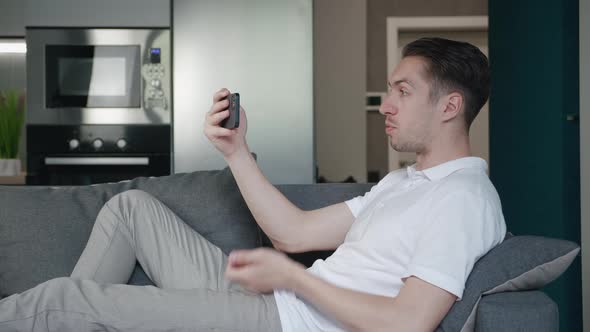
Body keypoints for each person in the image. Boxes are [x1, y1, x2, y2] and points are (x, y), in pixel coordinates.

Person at [0, 37, 506, 332]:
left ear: (449, 106)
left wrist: (292, 279)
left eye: (403, 91)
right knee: (131, 209)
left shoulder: (462, 198)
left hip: (284, 323)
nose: (385, 105)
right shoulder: (405, 183)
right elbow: (294, 234)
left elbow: (409, 323)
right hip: (280, 300)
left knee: (60, 300)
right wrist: (236, 151)